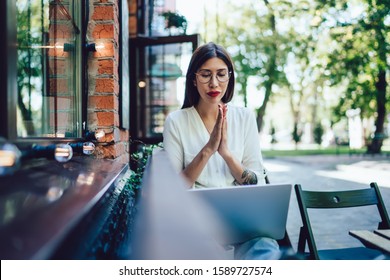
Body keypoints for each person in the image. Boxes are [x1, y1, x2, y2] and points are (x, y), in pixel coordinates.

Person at [162, 42, 281, 260]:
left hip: (242, 219)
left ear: (230, 77)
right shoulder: (177, 121)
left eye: (221, 74)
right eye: (206, 74)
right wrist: (208, 150)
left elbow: (256, 182)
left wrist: (226, 153)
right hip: (196, 221)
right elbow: (173, 188)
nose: (214, 83)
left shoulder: (244, 117)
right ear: (194, 78)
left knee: (266, 248)